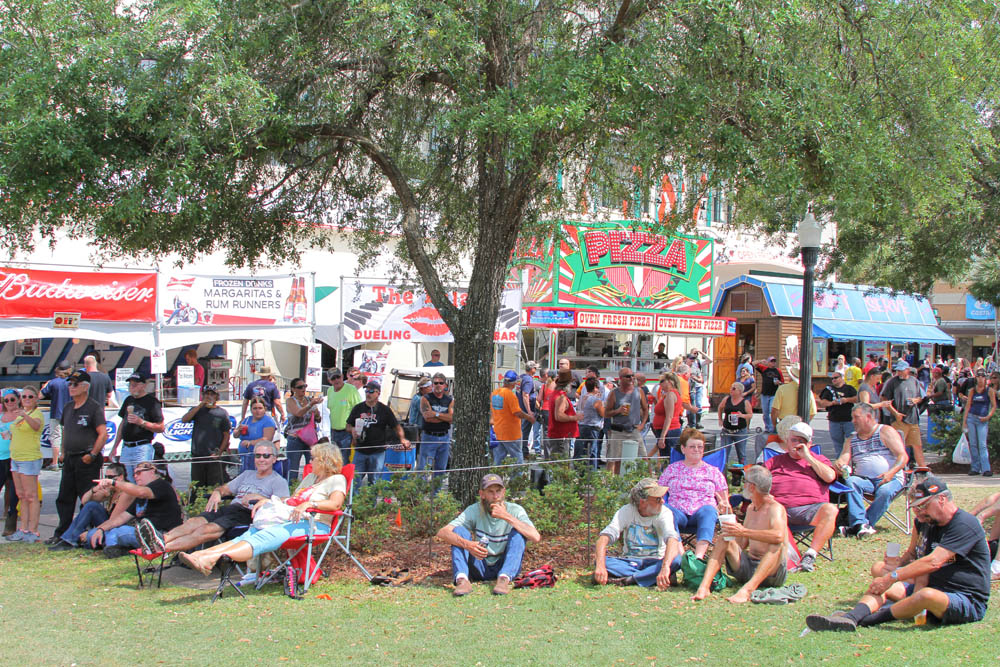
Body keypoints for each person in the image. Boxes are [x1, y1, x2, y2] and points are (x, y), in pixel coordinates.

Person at [806, 476, 991, 631]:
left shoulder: (965, 524)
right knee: (881, 583)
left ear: (941, 500)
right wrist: (897, 565)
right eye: (916, 508)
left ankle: (867, 620)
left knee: (924, 595)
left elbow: (934, 562)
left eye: (923, 506)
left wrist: (892, 576)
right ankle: (850, 618)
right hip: (931, 584)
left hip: (965, 598)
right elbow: (916, 556)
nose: (919, 513)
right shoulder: (928, 522)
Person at [177, 443, 347, 575]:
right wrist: (266, 501)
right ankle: (202, 556)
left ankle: (211, 558)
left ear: (325, 461)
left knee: (263, 537)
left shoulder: (336, 479)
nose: (310, 462)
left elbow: (336, 504)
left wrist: (311, 504)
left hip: (314, 525)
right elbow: (292, 500)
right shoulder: (311, 478)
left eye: (313, 458)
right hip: (290, 519)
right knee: (252, 533)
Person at [148, 441, 289, 554]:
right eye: (258, 456)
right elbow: (225, 489)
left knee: (205, 530)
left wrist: (260, 498)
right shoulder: (247, 474)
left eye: (266, 456)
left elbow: (284, 503)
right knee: (194, 521)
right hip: (230, 508)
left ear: (274, 459)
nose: (261, 459)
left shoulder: (278, 481)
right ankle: (162, 540)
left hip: (247, 514)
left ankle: (162, 549)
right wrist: (217, 493)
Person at [692, 465, 788, 604]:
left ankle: (746, 591)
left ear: (752, 487)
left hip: (772, 572)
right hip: (748, 567)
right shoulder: (751, 508)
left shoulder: (775, 508)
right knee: (725, 537)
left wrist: (743, 531)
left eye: (745, 482)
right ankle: (704, 587)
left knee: (776, 545)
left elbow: (778, 536)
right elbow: (741, 544)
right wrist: (729, 519)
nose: (743, 485)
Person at [436, 473, 541, 596]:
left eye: (498, 491)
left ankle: (503, 579)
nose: (495, 496)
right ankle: (462, 580)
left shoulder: (515, 510)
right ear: (482, 494)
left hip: (504, 564)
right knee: (459, 532)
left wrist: (506, 516)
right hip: (480, 563)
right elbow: (442, 532)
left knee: (519, 532)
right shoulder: (474, 510)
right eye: (490, 492)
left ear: (504, 492)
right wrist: (468, 545)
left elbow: (536, 537)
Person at [763, 422, 837, 572]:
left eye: (802, 441)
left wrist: (808, 458)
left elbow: (830, 477)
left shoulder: (818, 460)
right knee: (769, 510)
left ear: (810, 443)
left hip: (810, 509)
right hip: (778, 510)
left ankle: (810, 555)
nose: (797, 444)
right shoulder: (774, 461)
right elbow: (759, 483)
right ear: (787, 441)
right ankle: (787, 558)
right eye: (794, 440)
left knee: (831, 510)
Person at [50, 370, 108, 546]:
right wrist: (62, 451)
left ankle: (85, 533)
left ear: (85, 387)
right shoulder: (68, 407)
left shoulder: (94, 407)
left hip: (86, 458)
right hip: (70, 458)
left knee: (88, 497)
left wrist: (92, 454)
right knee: (64, 496)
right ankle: (62, 531)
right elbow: (66, 431)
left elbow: (103, 434)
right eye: (70, 384)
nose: (71, 387)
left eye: (75, 384)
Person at [593, 478, 682, 589]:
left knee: (677, 560)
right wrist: (601, 566)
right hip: (630, 562)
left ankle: (631, 579)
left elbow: (672, 539)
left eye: (662, 498)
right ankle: (649, 577)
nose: (663, 501)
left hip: (655, 561)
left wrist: (665, 566)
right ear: (643, 502)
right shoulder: (626, 511)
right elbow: (604, 538)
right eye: (658, 499)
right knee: (603, 561)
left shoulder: (665, 513)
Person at [835, 402, 908, 537]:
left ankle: (861, 525)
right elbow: (843, 458)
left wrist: (891, 473)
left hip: (889, 478)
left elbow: (903, 456)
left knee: (885, 491)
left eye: (856, 417)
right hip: (865, 480)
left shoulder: (885, 431)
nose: (853, 421)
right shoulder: (852, 438)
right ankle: (860, 524)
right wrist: (840, 465)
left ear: (868, 417)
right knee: (851, 482)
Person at [86, 461, 183, 558]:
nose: (136, 476)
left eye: (139, 473)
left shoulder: (161, 485)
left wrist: (114, 483)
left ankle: (114, 551)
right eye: (134, 474)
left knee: (115, 533)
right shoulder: (141, 494)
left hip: (161, 534)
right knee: (92, 534)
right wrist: (100, 529)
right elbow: (121, 518)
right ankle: (123, 549)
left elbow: (142, 492)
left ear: (152, 471)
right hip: (143, 533)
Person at [658, 429, 729, 559]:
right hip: (678, 512)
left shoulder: (713, 472)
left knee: (709, 510)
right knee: (666, 512)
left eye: (700, 447)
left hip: (702, 513)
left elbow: (725, 501)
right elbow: (659, 492)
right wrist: (660, 502)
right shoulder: (672, 469)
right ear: (683, 449)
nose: (697, 450)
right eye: (692, 446)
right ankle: (682, 556)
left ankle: (698, 558)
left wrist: (723, 505)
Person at [48, 462, 130, 551]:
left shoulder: (126, 492)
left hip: (118, 528)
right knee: (91, 505)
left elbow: (114, 521)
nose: (107, 480)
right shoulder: (111, 490)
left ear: (121, 477)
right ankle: (69, 540)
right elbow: (84, 501)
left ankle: (72, 540)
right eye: (105, 477)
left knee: (90, 535)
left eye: (110, 477)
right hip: (108, 525)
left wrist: (93, 532)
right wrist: (94, 489)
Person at [346, 381, 411, 486]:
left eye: (371, 391)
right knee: (355, 480)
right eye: (366, 390)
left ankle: (372, 503)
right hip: (360, 450)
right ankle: (356, 502)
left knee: (374, 481)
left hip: (377, 451)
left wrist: (402, 438)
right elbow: (348, 425)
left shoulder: (384, 410)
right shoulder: (358, 408)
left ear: (378, 393)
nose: (368, 393)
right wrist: (352, 429)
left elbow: (396, 427)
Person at [108, 373, 164, 481]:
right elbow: (123, 424)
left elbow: (161, 427)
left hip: (142, 447)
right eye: (130, 385)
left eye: (135, 384)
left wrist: (141, 422)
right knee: (127, 480)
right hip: (126, 446)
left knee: (142, 479)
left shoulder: (152, 402)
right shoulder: (129, 400)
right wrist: (114, 447)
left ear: (143, 385)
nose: (131, 387)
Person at [7, 386, 45, 542]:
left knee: (31, 496)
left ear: (36, 398)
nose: (27, 399)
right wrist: (7, 434)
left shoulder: (36, 414)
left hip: (29, 458)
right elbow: (16, 432)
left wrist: (24, 415)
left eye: (30, 396)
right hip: (16, 457)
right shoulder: (19, 415)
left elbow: (36, 426)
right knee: (21, 495)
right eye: (24, 397)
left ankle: (33, 530)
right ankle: (23, 529)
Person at [181, 386, 232, 493]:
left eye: (212, 394)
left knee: (213, 487)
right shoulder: (197, 410)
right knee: (197, 488)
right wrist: (200, 405)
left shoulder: (222, 413)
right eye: (206, 394)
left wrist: (219, 451)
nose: (209, 397)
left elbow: (226, 435)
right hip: (197, 455)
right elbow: (184, 419)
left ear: (217, 397)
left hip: (213, 456)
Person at [881, 360, 926, 467]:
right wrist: (895, 413)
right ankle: (899, 469)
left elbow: (920, 397)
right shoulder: (892, 382)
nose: (899, 373)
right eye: (897, 371)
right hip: (899, 419)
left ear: (907, 370)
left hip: (913, 418)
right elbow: (884, 398)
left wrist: (915, 400)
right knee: (898, 446)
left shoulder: (914, 381)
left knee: (917, 445)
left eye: (901, 371)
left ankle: (923, 469)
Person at [605, 367, 648, 476]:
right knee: (614, 459)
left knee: (644, 456)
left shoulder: (639, 391)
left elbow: (646, 409)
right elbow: (606, 413)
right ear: (620, 378)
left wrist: (642, 424)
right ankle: (612, 484)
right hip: (618, 430)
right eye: (628, 376)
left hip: (634, 429)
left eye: (632, 375)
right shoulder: (614, 393)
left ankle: (648, 480)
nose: (631, 378)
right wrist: (618, 410)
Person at [284, 377, 324, 482]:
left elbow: (318, 419)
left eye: (304, 386)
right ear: (293, 389)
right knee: (293, 470)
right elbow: (298, 413)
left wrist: (316, 414)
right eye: (300, 387)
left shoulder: (309, 400)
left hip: (310, 438)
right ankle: (291, 491)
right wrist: (310, 405)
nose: (303, 389)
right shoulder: (290, 401)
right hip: (295, 438)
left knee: (312, 467)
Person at [489, 370, 533, 465]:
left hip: (498, 431)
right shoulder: (510, 395)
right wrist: (529, 417)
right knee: (517, 458)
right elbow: (517, 412)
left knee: (498, 459)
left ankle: (496, 478)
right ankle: (516, 479)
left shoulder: (495, 393)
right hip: (511, 433)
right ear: (513, 383)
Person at [419, 372, 454, 476]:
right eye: (436, 383)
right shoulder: (425, 398)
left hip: (444, 437)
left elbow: (451, 419)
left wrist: (435, 414)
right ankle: (421, 491)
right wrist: (444, 417)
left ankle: (437, 492)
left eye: (441, 383)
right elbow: (428, 417)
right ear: (432, 385)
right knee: (424, 469)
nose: (438, 385)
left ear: (445, 385)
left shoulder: (449, 400)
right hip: (429, 436)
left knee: (441, 469)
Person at [963, 369, 996, 477]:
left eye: (982, 377)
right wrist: (964, 421)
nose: (981, 379)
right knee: (973, 444)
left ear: (985, 378)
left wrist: (988, 416)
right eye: (979, 377)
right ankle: (975, 467)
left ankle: (986, 468)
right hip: (972, 418)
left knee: (982, 444)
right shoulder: (972, 390)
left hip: (982, 419)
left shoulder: (989, 390)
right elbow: (968, 405)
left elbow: (994, 405)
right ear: (976, 378)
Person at [40, 360, 72, 468]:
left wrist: (44, 387)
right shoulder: (72, 382)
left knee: (56, 438)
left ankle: (54, 462)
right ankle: (65, 460)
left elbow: (40, 396)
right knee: (67, 438)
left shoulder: (53, 382)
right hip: (70, 414)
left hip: (56, 413)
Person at [326, 368, 361, 461]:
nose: (337, 380)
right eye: (333, 378)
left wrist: (355, 430)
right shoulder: (329, 391)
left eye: (338, 377)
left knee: (345, 459)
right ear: (329, 380)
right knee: (335, 459)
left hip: (347, 432)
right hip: (334, 431)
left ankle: (345, 476)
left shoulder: (351, 389)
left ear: (342, 376)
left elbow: (359, 409)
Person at [817, 370, 858, 450]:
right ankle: (840, 461)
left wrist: (846, 400)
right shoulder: (828, 389)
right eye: (832, 378)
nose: (833, 380)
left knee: (852, 443)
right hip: (834, 421)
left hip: (848, 420)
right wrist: (832, 403)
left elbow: (857, 399)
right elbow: (822, 403)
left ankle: (853, 461)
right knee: (838, 445)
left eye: (836, 377)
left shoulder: (849, 388)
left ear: (842, 378)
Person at [235, 398, 277, 472]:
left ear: (265, 409)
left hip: (260, 458)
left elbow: (267, 439)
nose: (257, 411)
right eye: (255, 408)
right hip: (244, 457)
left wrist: (250, 443)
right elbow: (235, 435)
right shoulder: (247, 420)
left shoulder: (268, 421)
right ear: (251, 409)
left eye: (260, 408)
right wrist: (238, 430)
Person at [547, 368, 580, 458]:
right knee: (562, 464)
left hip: (559, 435)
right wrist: (575, 417)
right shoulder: (560, 396)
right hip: (561, 435)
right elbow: (559, 416)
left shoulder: (556, 394)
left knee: (559, 463)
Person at [718, 381, 753, 464]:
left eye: (734, 388)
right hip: (727, 430)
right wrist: (720, 419)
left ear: (740, 391)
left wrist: (742, 416)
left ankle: (743, 473)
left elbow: (750, 414)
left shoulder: (745, 402)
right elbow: (720, 407)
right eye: (731, 388)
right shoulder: (727, 399)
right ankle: (722, 472)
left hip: (740, 431)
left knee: (741, 454)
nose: (731, 390)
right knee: (724, 453)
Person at [0, 389, 19, 536]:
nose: (9, 403)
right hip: (1, 456)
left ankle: (9, 517)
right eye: (6, 400)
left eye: (12, 399)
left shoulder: (21, 417)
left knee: (12, 490)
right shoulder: (1, 416)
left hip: (14, 456)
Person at [577, 377, 606, 466]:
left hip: (581, 425)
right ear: (595, 387)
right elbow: (603, 413)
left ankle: (580, 470)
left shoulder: (582, 397)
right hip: (592, 426)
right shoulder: (596, 400)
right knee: (592, 451)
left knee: (582, 450)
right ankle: (592, 472)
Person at [754, 356, 784, 432]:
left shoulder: (778, 371)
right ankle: (768, 427)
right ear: (768, 362)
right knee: (765, 413)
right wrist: (761, 361)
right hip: (765, 394)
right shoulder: (764, 369)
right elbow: (753, 364)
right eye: (771, 361)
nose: (773, 363)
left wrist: (779, 382)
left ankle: (773, 427)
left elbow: (782, 382)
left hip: (774, 394)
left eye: (774, 361)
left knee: (772, 411)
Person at [519, 361, 541, 459]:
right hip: (526, 410)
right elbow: (525, 395)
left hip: (523, 409)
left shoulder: (522, 377)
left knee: (524, 431)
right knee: (525, 432)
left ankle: (523, 451)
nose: (536, 370)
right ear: (532, 369)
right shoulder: (528, 380)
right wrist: (529, 411)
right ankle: (524, 452)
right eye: (535, 368)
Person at [686, 349, 711, 428]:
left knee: (698, 404)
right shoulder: (685, 366)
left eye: (696, 354)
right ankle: (691, 423)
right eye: (694, 353)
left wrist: (701, 352)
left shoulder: (698, 362)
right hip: (688, 387)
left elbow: (710, 360)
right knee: (690, 405)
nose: (695, 355)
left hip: (697, 386)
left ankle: (697, 422)